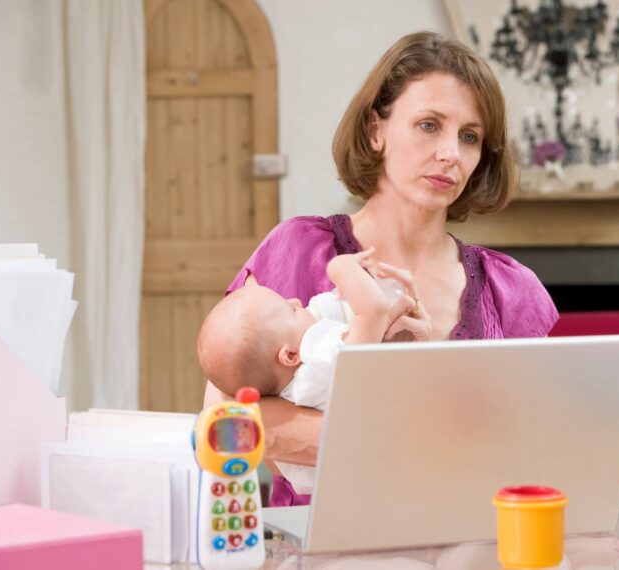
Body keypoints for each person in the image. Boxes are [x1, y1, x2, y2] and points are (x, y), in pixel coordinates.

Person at [203, 31, 559, 506]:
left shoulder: (512, 290)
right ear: (376, 130)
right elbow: (221, 425)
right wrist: (417, 434)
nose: (451, 153)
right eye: (429, 125)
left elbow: (540, 450)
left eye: (470, 136)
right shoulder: (297, 249)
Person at [197, 248, 411, 493]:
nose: (296, 301)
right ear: (290, 355)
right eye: (292, 310)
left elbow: (285, 472)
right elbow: (374, 311)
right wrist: (340, 269)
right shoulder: (319, 361)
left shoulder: (288, 393)